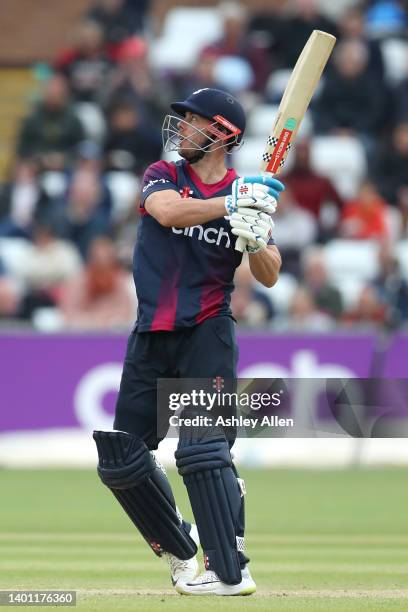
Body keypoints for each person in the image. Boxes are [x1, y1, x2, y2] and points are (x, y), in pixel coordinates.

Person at [92, 87, 284, 596]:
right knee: (121, 459)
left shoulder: (247, 194)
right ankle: (181, 551)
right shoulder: (163, 176)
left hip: (207, 331)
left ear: (223, 135)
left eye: (194, 121)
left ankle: (231, 571)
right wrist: (231, 204)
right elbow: (170, 213)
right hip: (151, 332)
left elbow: (269, 274)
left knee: (201, 451)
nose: (181, 129)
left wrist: (256, 235)